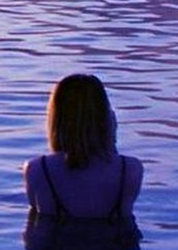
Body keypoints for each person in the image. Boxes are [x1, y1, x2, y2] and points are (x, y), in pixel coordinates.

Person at [24, 73, 143, 220]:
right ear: (105, 116)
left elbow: (34, 233)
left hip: (58, 242)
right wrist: (110, 137)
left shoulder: (38, 169)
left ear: (56, 118)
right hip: (113, 242)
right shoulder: (129, 169)